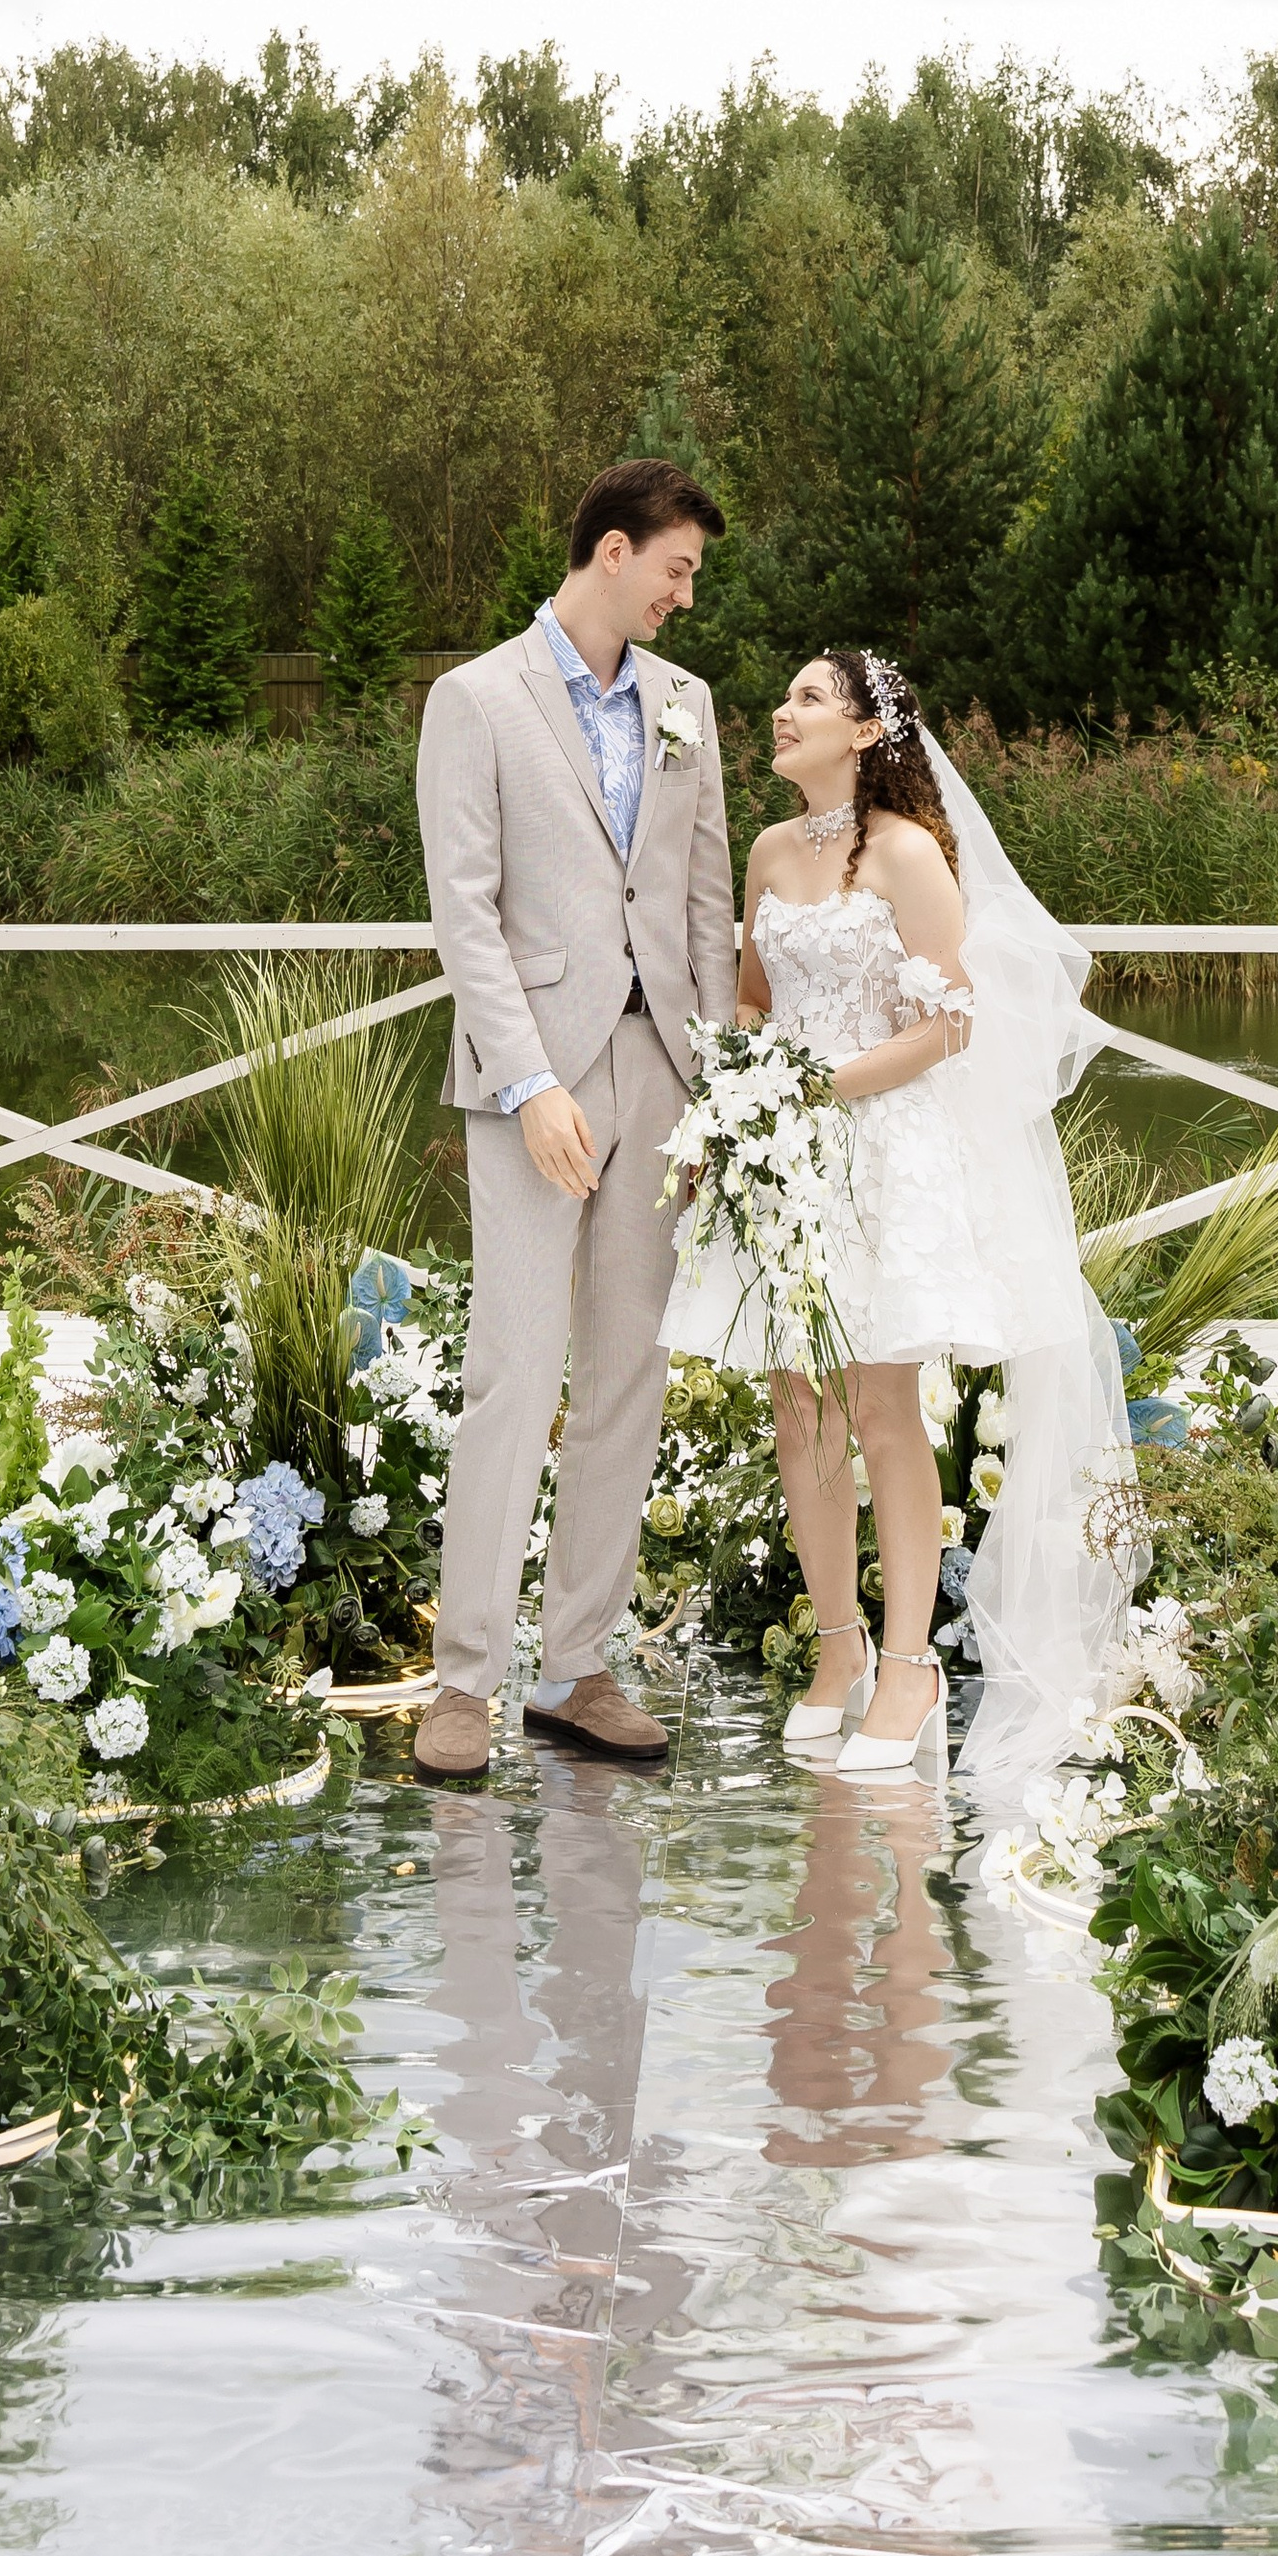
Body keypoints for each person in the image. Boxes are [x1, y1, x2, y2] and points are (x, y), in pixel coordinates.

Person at [659, 648, 1131, 1785]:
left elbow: (952, 1021)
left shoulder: (910, 852)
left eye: (809, 700)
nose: (783, 712)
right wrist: (734, 1108)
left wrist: (822, 1087)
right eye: (787, 698)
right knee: (795, 1398)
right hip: (783, 1159)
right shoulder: (770, 853)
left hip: (882, 1148)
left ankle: (912, 1664)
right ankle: (838, 1649)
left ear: (867, 733)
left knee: (879, 1404)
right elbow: (754, 1001)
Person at [411, 456, 737, 1783]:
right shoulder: (473, 700)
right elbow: (464, 913)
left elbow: (707, 904)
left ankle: (578, 1666)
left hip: (661, 1070)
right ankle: (463, 1681)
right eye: (678, 568)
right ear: (613, 551)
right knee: (512, 1371)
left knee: (626, 1380)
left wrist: (717, 1088)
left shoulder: (688, 707)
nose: (686, 596)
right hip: (531, 1076)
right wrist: (530, 1083)